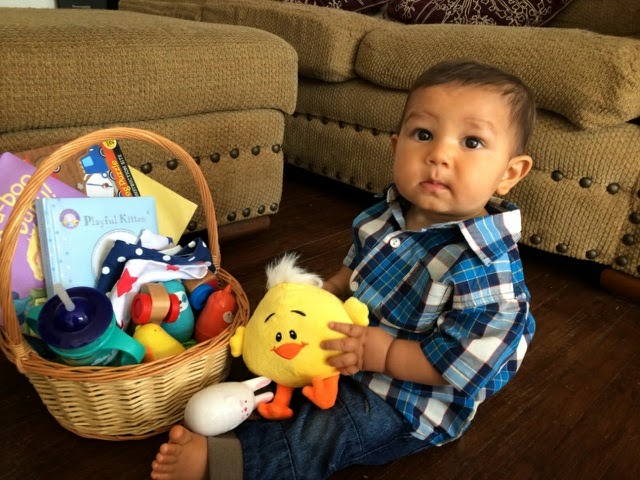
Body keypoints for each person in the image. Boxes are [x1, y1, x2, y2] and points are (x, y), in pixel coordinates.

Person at [150, 58, 537, 480]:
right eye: (424, 134)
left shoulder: (486, 268)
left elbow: (464, 363)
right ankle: (245, 410)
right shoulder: (382, 217)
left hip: (405, 400)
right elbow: (352, 273)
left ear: (509, 173)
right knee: (279, 370)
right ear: (396, 147)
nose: (439, 155)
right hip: (343, 351)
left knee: (330, 431)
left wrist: (384, 354)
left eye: (472, 142)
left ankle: (226, 462)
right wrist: (326, 292)